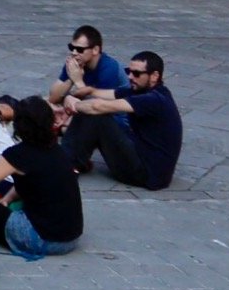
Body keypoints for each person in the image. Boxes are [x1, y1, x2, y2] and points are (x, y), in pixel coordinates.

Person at [0, 97, 85, 260]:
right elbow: (33, 181)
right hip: (71, 238)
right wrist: (6, 199)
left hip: (42, 239)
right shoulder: (58, 151)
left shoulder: (18, 154)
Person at [60, 50, 183, 189]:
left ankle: (66, 165)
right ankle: (74, 158)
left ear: (154, 76)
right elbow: (94, 93)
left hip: (147, 174)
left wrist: (75, 105)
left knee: (97, 116)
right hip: (142, 153)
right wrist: (71, 96)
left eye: (136, 73)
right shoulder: (139, 90)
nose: (130, 77)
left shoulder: (154, 100)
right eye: (129, 72)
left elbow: (98, 106)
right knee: (91, 111)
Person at [47, 24, 129, 116]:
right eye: (71, 48)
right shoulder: (75, 63)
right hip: (90, 110)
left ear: (95, 50)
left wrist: (78, 82)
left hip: (115, 118)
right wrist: (71, 79)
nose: (74, 53)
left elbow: (98, 107)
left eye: (79, 49)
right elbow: (53, 99)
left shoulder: (109, 68)